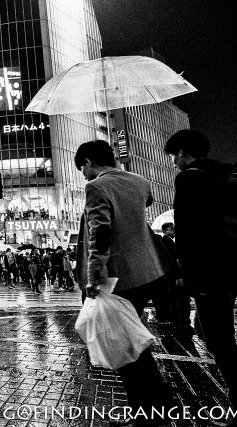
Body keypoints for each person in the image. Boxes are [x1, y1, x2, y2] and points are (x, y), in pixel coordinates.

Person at [74, 140, 175, 422]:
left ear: (89, 161)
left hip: (119, 276)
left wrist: (95, 275)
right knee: (131, 340)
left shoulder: (96, 186)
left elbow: (100, 232)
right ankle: (154, 403)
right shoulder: (140, 181)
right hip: (149, 272)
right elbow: (146, 201)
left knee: (123, 347)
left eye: (82, 168)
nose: (83, 174)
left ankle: (149, 407)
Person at [165, 130, 237, 421]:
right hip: (236, 266)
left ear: (183, 153)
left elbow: (189, 232)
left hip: (209, 270)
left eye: (174, 156)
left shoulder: (189, 178)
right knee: (207, 330)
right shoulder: (228, 174)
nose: (174, 163)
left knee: (218, 340)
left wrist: (186, 274)